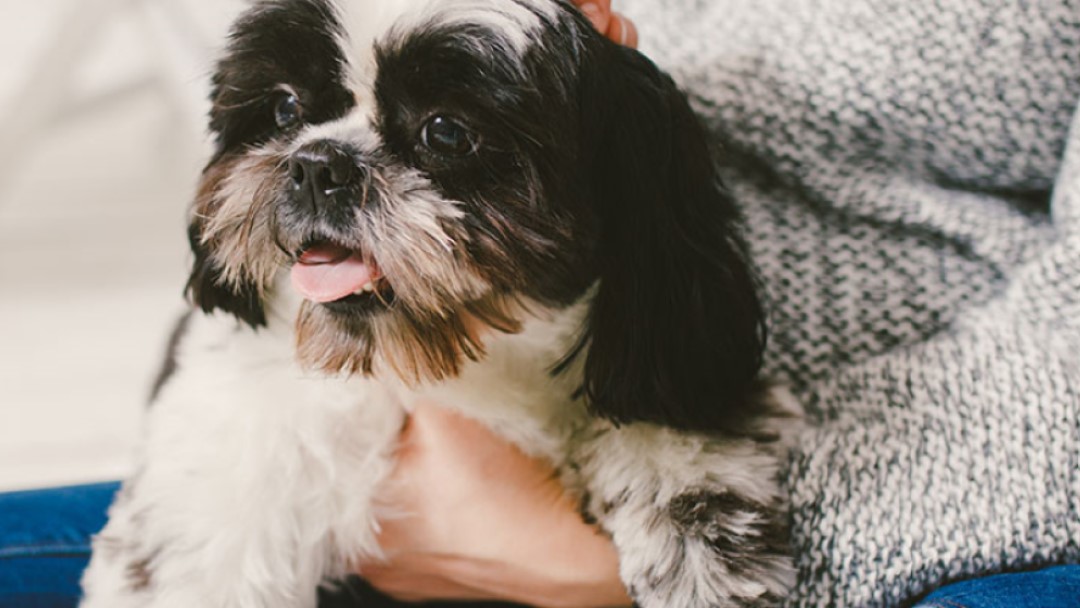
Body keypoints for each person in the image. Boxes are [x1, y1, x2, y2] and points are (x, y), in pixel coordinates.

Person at [2, 1, 1078, 607]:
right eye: (287, 112)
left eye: (445, 139)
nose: (318, 164)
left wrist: (573, 569)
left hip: (925, 493)